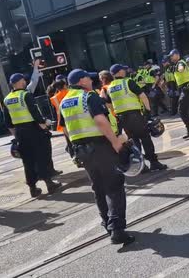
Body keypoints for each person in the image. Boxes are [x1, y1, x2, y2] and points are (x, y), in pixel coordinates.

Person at [59, 69, 134, 245]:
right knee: (114, 186)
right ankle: (117, 229)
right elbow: (101, 121)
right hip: (100, 147)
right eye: (88, 78)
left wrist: (73, 150)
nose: (91, 80)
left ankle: (107, 224)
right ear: (81, 80)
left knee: (98, 187)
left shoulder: (65, 102)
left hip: (83, 151)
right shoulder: (88, 97)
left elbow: (66, 130)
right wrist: (116, 143)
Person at [4, 73, 62, 197]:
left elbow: (7, 121)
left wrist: (16, 135)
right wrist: (43, 124)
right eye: (24, 80)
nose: (25, 82)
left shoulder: (7, 99)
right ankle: (49, 183)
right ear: (19, 81)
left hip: (20, 132)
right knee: (42, 156)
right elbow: (35, 112)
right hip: (33, 129)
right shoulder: (26, 95)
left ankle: (32, 188)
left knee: (27, 160)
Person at [107, 64, 167, 171]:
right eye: (123, 70)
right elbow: (143, 96)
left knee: (134, 141)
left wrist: (115, 116)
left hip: (122, 119)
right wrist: (148, 111)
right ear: (119, 72)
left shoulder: (110, 87)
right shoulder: (128, 82)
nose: (125, 71)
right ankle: (154, 162)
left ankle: (142, 166)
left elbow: (109, 105)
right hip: (134, 116)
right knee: (145, 138)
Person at [165, 51, 180, 116]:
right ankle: (175, 111)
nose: (164, 64)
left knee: (176, 99)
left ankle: (175, 111)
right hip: (170, 85)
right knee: (174, 99)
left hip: (175, 85)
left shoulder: (174, 66)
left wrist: (176, 87)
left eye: (165, 62)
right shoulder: (167, 69)